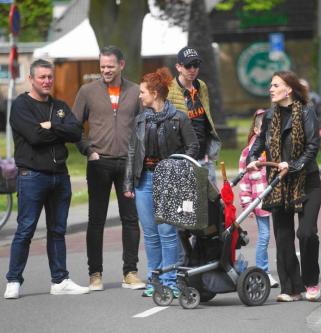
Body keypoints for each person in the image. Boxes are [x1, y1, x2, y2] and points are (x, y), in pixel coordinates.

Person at [4, 59, 89, 299]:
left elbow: (76, 131)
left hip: (60, 177)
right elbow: (34, 136)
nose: (47, 81)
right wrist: (59, 131)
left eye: (49, 77)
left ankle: (59, 280)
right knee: (26, 229)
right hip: (32, 176)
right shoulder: (21, 105)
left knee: (58, 230)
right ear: (30, 79)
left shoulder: (59, 106)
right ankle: (13, 280)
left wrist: (52, 124)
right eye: (41, 77)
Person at [73, 46, 145, 291]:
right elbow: (73, 127)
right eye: (102, 66)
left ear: (121, 65)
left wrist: (139, 157)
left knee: (131, 219)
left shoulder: (135, 91)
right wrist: (87, 150)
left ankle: (131, 272)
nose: (105, 70)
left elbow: (144, 127)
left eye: (110, 66)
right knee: (96, 220)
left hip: (127, 163)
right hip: (98, 162)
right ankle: (95, 274)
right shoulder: (87, 91)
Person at [247, 71, 321, 302]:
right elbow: (259, 142)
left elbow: (313, 146)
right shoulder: (269, 116)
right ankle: (291, 288)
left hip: (306, 180)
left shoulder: (307, 113)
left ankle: (311, 281)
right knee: (283, 237)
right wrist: (253, 157)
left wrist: (294, 165)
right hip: (279, 183)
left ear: (288, 89)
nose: (270, 89)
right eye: (270, 85)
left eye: (275, 85)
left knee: (306, 233)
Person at [123, 67, 199, 297]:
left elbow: (193, 147)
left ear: (155, 93)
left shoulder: (178, 117)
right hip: (144, 180)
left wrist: (177, 169)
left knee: (167, 232)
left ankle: (170, 280)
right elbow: (132, 152)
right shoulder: (140, 120)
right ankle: (154, 280)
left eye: (143, 91)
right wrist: (128, 183)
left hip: (169, 181)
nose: (139, 95)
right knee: (150, 234)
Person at [168, 46, 221, 185]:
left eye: (196, 65)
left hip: (204, 157)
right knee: (187, 204)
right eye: (188, 65)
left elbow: (205, 119)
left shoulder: (201, 86)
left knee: (212, 201)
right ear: (178, 67)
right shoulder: (169, 90)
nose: (192, 69)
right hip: (183, 158)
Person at [238, 109, 278, 288]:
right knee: (265, 235)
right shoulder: (248, 153)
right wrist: (247, 204)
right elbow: (244, 180)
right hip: (260, 200)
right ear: (255, 130)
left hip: (277, 198)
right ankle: (264, 271)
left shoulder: (273, 148)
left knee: (278, 234)